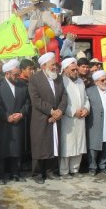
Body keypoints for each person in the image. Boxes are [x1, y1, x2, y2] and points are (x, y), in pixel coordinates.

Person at [28, 53, 67, 183]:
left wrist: (60, 111)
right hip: (41, 118)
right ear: (44, 66)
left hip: (56, 118)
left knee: (53, 145)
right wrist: (51, 111)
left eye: (55, 65)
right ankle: (37, 174)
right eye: (52, 65)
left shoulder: (59, 78)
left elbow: (64, 97)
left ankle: (51, 171)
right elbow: (36, 100)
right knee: (40, 145)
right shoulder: (35, 79)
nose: (55, 67)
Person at [0, 59, 30, 184]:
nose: (17, 77)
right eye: (15, 75)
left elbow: (27, 103)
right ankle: (0, 175)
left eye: (18, 74)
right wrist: (6, 116)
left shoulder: (22, 85)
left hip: (18, 122)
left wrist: (21, 113)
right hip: (3, 123)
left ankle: (15, 172)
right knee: (2, 149)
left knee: (17, 148)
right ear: (7, 74)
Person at [59, 58, 89, 179]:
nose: (75, 71)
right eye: (73, 69)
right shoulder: (61, 82)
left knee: (79, 145)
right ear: (65, 69)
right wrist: (72, 112)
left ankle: (75, 169)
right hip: (68, 119)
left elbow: (86, 98)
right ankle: (64, 171)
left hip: (81, 118)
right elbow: (60, 101)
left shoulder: (80, 81)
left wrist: (86, 109)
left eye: (76, 69)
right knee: (68, 146)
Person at [86, 70, 106, 176]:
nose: (105, 82)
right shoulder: (89, 91)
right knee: (93, 145)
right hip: (95, 123)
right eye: (102, 80)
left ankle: (103, 165)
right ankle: (92, 167)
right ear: (96, 82)